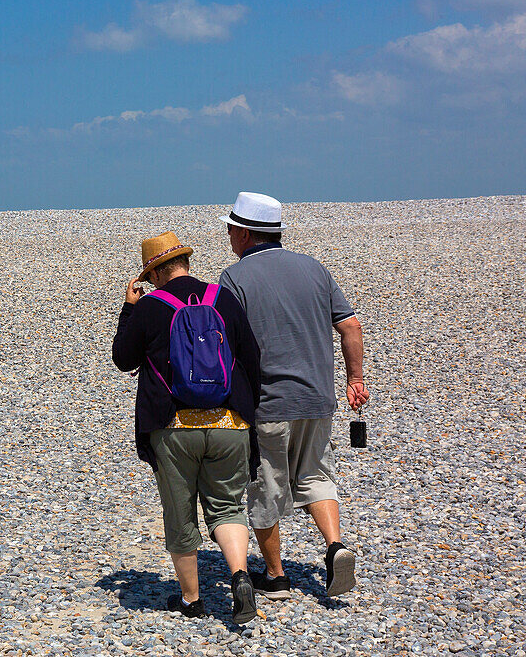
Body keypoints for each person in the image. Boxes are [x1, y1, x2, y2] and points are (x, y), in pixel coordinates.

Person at [217, 192, 370, 599]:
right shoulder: (314, 268)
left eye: (231, 229)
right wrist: (355, 379)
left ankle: (276, 575)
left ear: (246, 233)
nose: (229, 236)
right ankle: (335, 546)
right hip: (318, 397)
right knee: (317, 475)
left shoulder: (234, 278)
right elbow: (351, 326)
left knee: (267, 485)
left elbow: (225, 343)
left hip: (269, 402)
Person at [112, 231, 263, 623]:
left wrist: (129, 309)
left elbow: (123, 360)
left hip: (173, 427)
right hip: (229, 423)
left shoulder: (150, 306)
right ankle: (240, 576)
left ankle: (192, 599)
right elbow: (251, 357)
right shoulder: (221, 298)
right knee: (228, 506)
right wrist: (249, 413)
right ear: (186, 263)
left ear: (155, 273)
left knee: (180, 514)